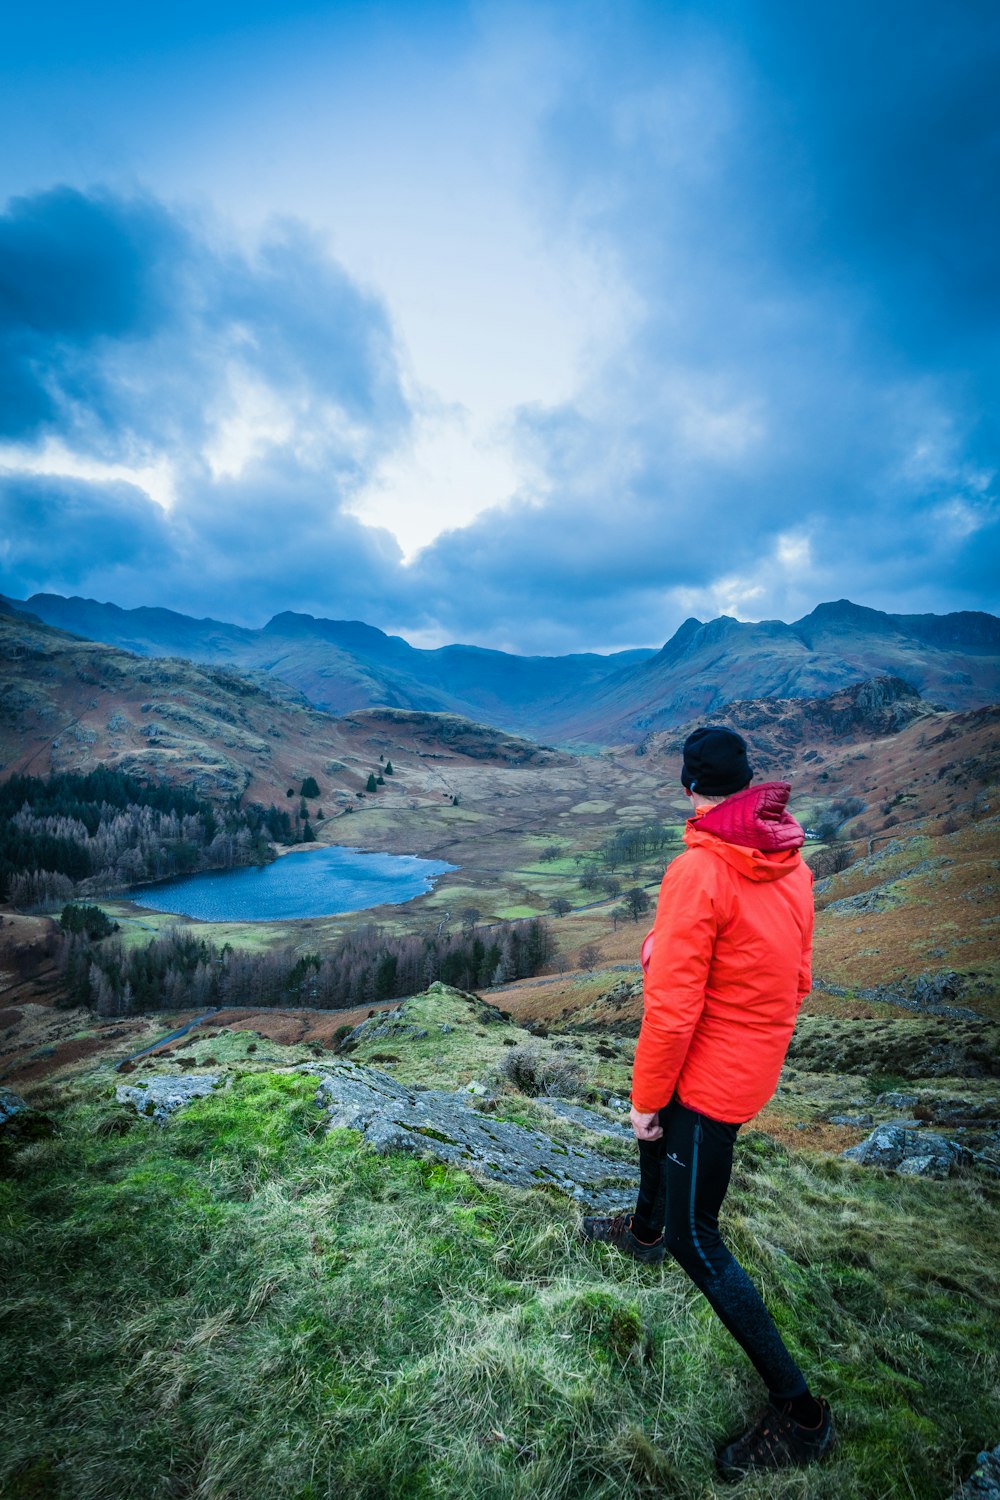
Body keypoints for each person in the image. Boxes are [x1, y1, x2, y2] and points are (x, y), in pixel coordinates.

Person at [581, 725, 835, 1480]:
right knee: (668, 1162)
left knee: (702, 1238)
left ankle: (801, 1415)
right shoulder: (788, 860)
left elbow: (670, 1013)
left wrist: (645, 1099)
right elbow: (797, 973)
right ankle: (646, 1228)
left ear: (691, 788)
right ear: (750, 782)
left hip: (712, 1077)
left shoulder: (699, 871)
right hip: (751, 1060)